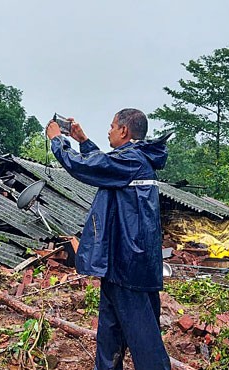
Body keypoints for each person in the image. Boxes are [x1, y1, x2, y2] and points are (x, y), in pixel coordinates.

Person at [45, 109, 171, 370]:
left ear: (124, 131)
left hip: (129, 267)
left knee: (144, 341)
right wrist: (83, 141)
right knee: (109, 337)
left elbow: (86, 167)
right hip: (119, 264)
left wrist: (58, 141)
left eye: (112, 126)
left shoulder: (132, 160)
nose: (109, 131)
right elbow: (103, 164)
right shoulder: (131, 160)